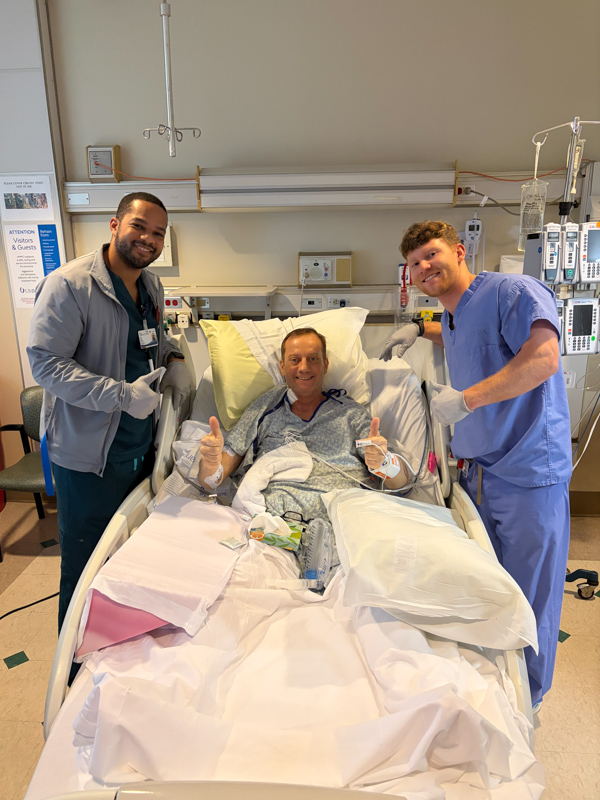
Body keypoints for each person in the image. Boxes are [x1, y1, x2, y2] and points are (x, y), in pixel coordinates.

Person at [380, 220, 571, 708]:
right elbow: (469, 339)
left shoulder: (512, 292)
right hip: (481, 474)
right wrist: (420, 329)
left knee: (531, 594)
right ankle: (497, 682)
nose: (424, 267)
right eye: (414, 263)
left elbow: (544, 358)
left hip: (528, 471)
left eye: (432, 254)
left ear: (459, 251)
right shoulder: (453, 315)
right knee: (493, 587)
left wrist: (466, 400)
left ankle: (528, 698)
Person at [27, 191, 195, 630]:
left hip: (139, 446)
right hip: (88, 457)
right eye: (139, 226)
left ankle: (117, 649)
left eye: (158, 233)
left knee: (129, 558)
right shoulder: (69, 285)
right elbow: (46, 364)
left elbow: (153, 341)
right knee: (85, 569)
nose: (148, 239)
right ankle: (74, 665)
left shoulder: (151, 286)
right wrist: (120, 396)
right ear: (115, 224)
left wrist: (175, 358)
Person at [198, 328, 409, 524]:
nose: (304, 367)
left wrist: (383, 462)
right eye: (294, 360)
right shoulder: (264, 410)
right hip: (276, 528)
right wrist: (210, 463)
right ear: (282, 367)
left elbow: (399, 482)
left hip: (346, 523)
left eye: (313, 359)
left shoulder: (350, 413)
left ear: (325, 365)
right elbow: (211, 480)